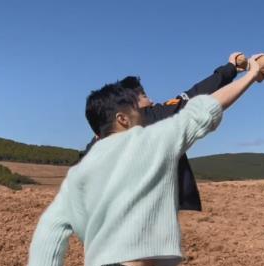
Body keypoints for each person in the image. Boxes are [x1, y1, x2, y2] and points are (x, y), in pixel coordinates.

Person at [26, 54, 264, 266]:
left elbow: (51, 225)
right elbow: (207, 107)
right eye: (137, 108)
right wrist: (251, 75)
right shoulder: (146, 142)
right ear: (122, 119)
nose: (147, 110)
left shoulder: (80, 171)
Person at [80, 52, 247, 211]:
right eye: (144, 95)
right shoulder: (151, 118)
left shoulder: (98, 143)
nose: (151, 101)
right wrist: (231, 68)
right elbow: (195, 95)